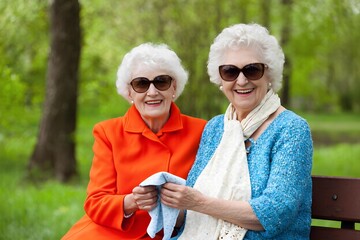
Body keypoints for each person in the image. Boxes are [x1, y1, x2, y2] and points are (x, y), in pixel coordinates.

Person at [160, 23, 313, 239]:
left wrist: (197, 202)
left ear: (269, 74)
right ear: (220, 79)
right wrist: (165, 203)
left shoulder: (291, 129)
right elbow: (193, 215)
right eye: (230, 71)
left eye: (252, 69)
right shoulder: (215, 128)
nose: (241, 80)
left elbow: (274, 213)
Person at [62, 43, 207, 240]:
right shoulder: (108, 132)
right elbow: (95, 203)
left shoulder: (203, 130)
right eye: (141, 84)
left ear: (174, 87)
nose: (152, 92)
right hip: (111, 232)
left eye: (161, 82)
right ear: (129, 92)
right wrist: (131, 201)